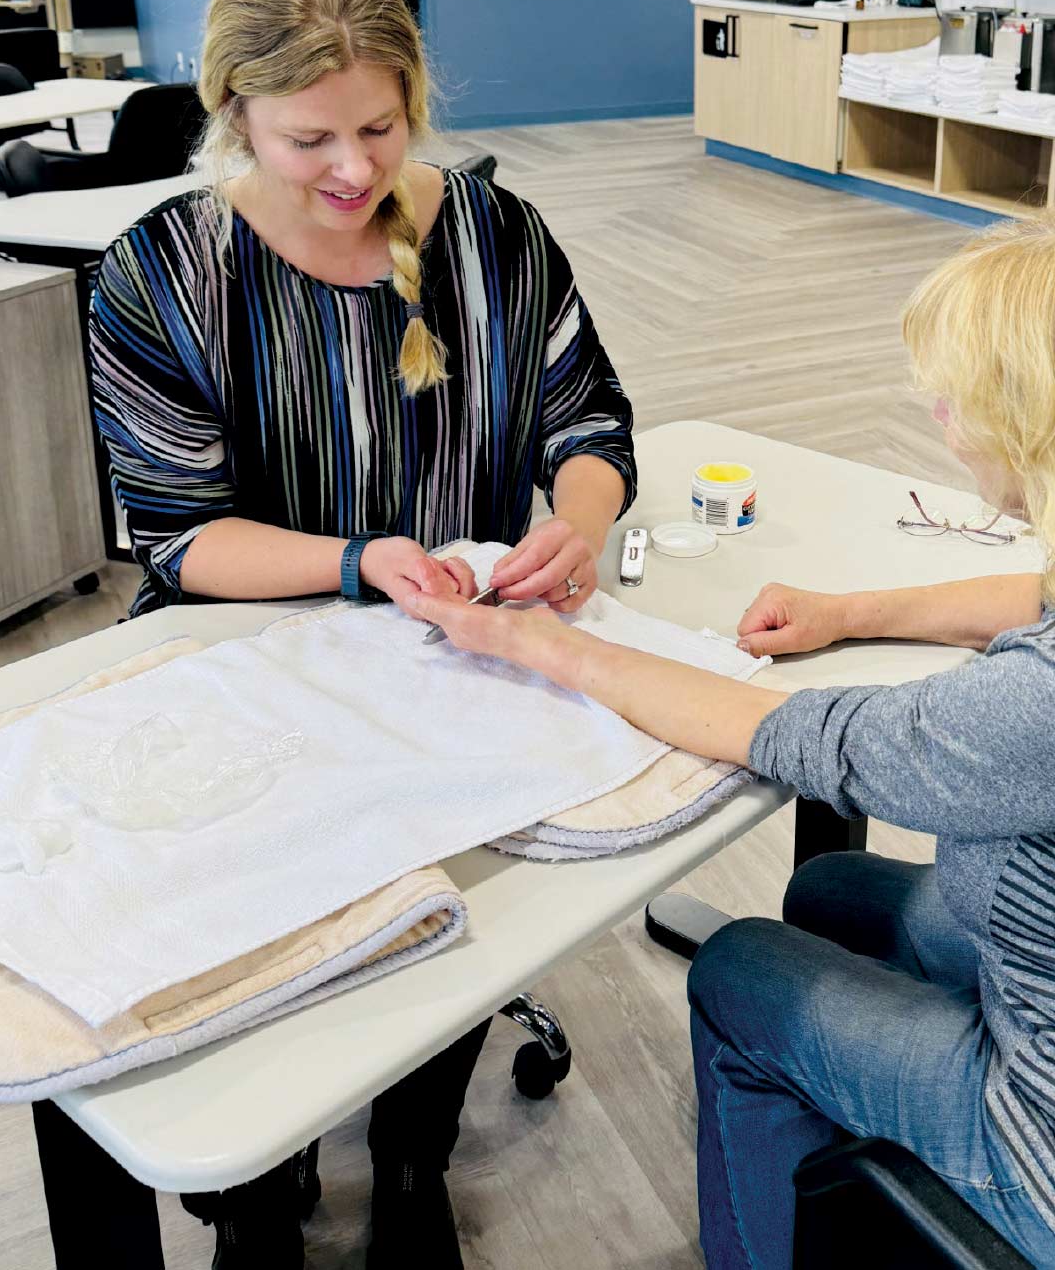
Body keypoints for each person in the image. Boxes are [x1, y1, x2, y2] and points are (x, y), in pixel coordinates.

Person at [87, 0, 636, 1269]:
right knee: (261, 898)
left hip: (450, 652)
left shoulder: (496, 231)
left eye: (381, 128)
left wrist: (575, 518)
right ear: (233, 115)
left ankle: (410, 1157)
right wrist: (359, 561)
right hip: (249, 656)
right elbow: (179, 540)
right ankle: (258, 1193)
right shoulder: (163, 273)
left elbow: (591, 414)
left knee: (449, 889)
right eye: (306, 140)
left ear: (416, 99)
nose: (352, 170)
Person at [415, 219, 1055, 1267]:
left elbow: (790, 734)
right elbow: (1035, 593)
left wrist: (543, 649)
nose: (938, 415)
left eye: (957, 400)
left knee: (740, 964)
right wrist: (849, 610)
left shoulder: (1029, 714)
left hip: (1040, 1151)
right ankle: (846, 1165)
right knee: (835, 889)